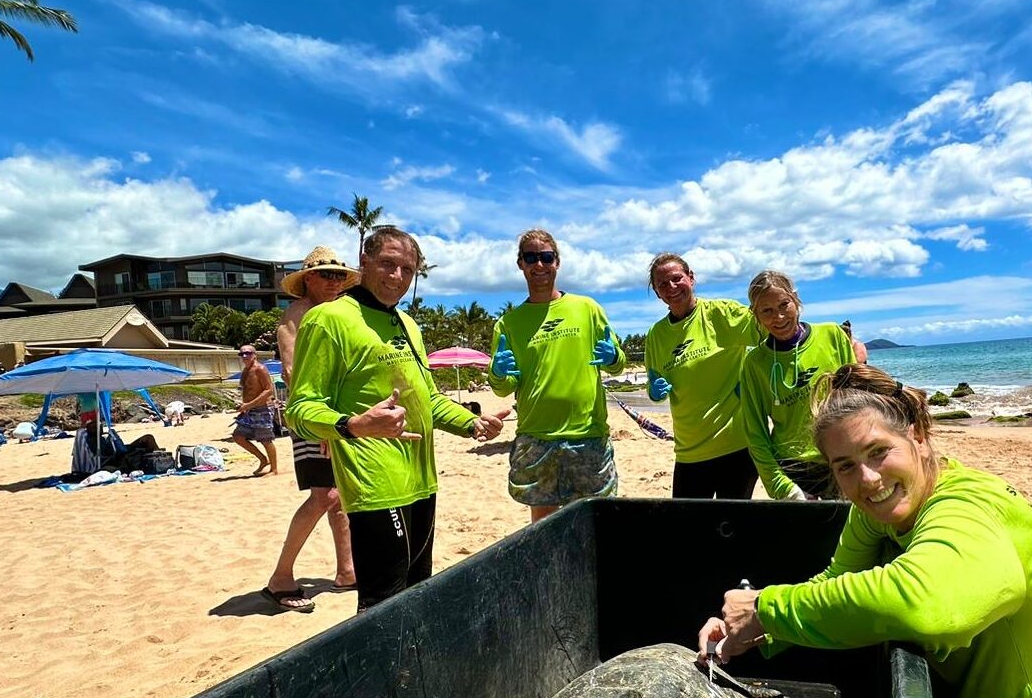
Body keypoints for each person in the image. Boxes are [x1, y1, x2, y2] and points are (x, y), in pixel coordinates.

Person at [696, 363, 1032, 698]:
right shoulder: (877, 510)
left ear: (919, 437)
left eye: (878, 452)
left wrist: (766, 607)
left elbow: (930, 603)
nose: (868, 480)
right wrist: (750, 633)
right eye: (846, 466)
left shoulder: (968, 506)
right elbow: (839, 582)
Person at [285, 226, 506, 612]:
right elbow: (300, 410)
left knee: (418, 593)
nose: (397, 277)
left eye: (408, 269)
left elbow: (429, 399)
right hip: (374, 483)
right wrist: (353, 425)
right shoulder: (329, 320)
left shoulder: (408, 325)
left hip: (422, 479)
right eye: (387, 264)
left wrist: (471, 422)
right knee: (382, 605)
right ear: (364, 263)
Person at [488, 228, 625, 522]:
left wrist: (614, 357)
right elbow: (503, 387)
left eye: (546, 257)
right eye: (531, 258)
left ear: (557, 262)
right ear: (520, 264)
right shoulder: (508, 323)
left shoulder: (587, 308)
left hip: (588, 434)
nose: (539, 265)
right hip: (537, 437)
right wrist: (498, 373)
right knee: (543, 522)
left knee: (595, 520)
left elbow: (616, 365)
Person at [264, 246, 360, 612]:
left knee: (339, 495)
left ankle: (347, 570)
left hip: (335, 416)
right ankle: (281, 577)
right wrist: (324, 427)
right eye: (326, 274)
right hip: (313, 418)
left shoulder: (333, 314)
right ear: (308, 279)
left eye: (339, 275)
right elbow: (293, 373)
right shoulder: (296, 315)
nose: (335, 281)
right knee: (325, 497)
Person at [643, 253, 762, 499]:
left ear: (691, 278)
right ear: (656, 293)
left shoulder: (722, 313)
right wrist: (654, 391)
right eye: (662, 284)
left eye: (677, 278)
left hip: (737, 447)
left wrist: (755, 378)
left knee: (731, 530)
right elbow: (654, 385)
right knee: (691, 531)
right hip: (689, 451)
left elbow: (772, 335)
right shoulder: (657, 334)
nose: (671, 287)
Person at [740, 270, 855, 500]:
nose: (779, 317)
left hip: (842, 456)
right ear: (756, 315)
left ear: (795, 300)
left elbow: (859, 398)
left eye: (784, 305)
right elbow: (756, 434)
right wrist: (782, 487)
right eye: (767, 311)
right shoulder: (755, 364)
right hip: (793, 469)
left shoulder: (832, 335)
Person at [233, 344, 279, 476]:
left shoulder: (260, 369)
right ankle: (263, 459)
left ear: (255, 355)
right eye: (242, 354)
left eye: (248, 353)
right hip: (249, 410)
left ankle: (274, 469)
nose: (245, 356)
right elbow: (244, 389)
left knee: (265, 439)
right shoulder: (245, 371)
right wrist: (242, 405)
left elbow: (268, 390)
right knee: (238, 436)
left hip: (262, 408)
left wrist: (248, 405)